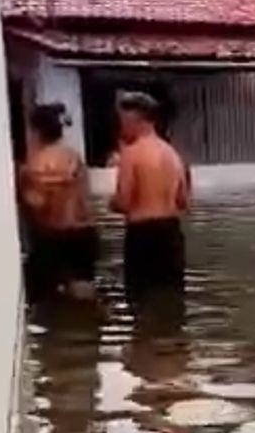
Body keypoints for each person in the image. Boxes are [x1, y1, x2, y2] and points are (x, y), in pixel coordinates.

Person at [111, 91, 189, 298]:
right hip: (172, 233)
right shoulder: (173, 154)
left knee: (141, 301)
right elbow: (183, 201)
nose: (121, 127)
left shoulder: (132, 153)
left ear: (134, 119)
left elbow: (124, 202)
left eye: (122, 121)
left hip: (143, 234)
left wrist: (112, 203)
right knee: (171, 298)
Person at [19, 103, 97, 301]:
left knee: (46, 300)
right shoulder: (75, 158)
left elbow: (38, 203)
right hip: (83, 233)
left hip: (52, 235)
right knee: (83, 293)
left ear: (35, 130)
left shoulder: (35, 165)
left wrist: (20, 193)